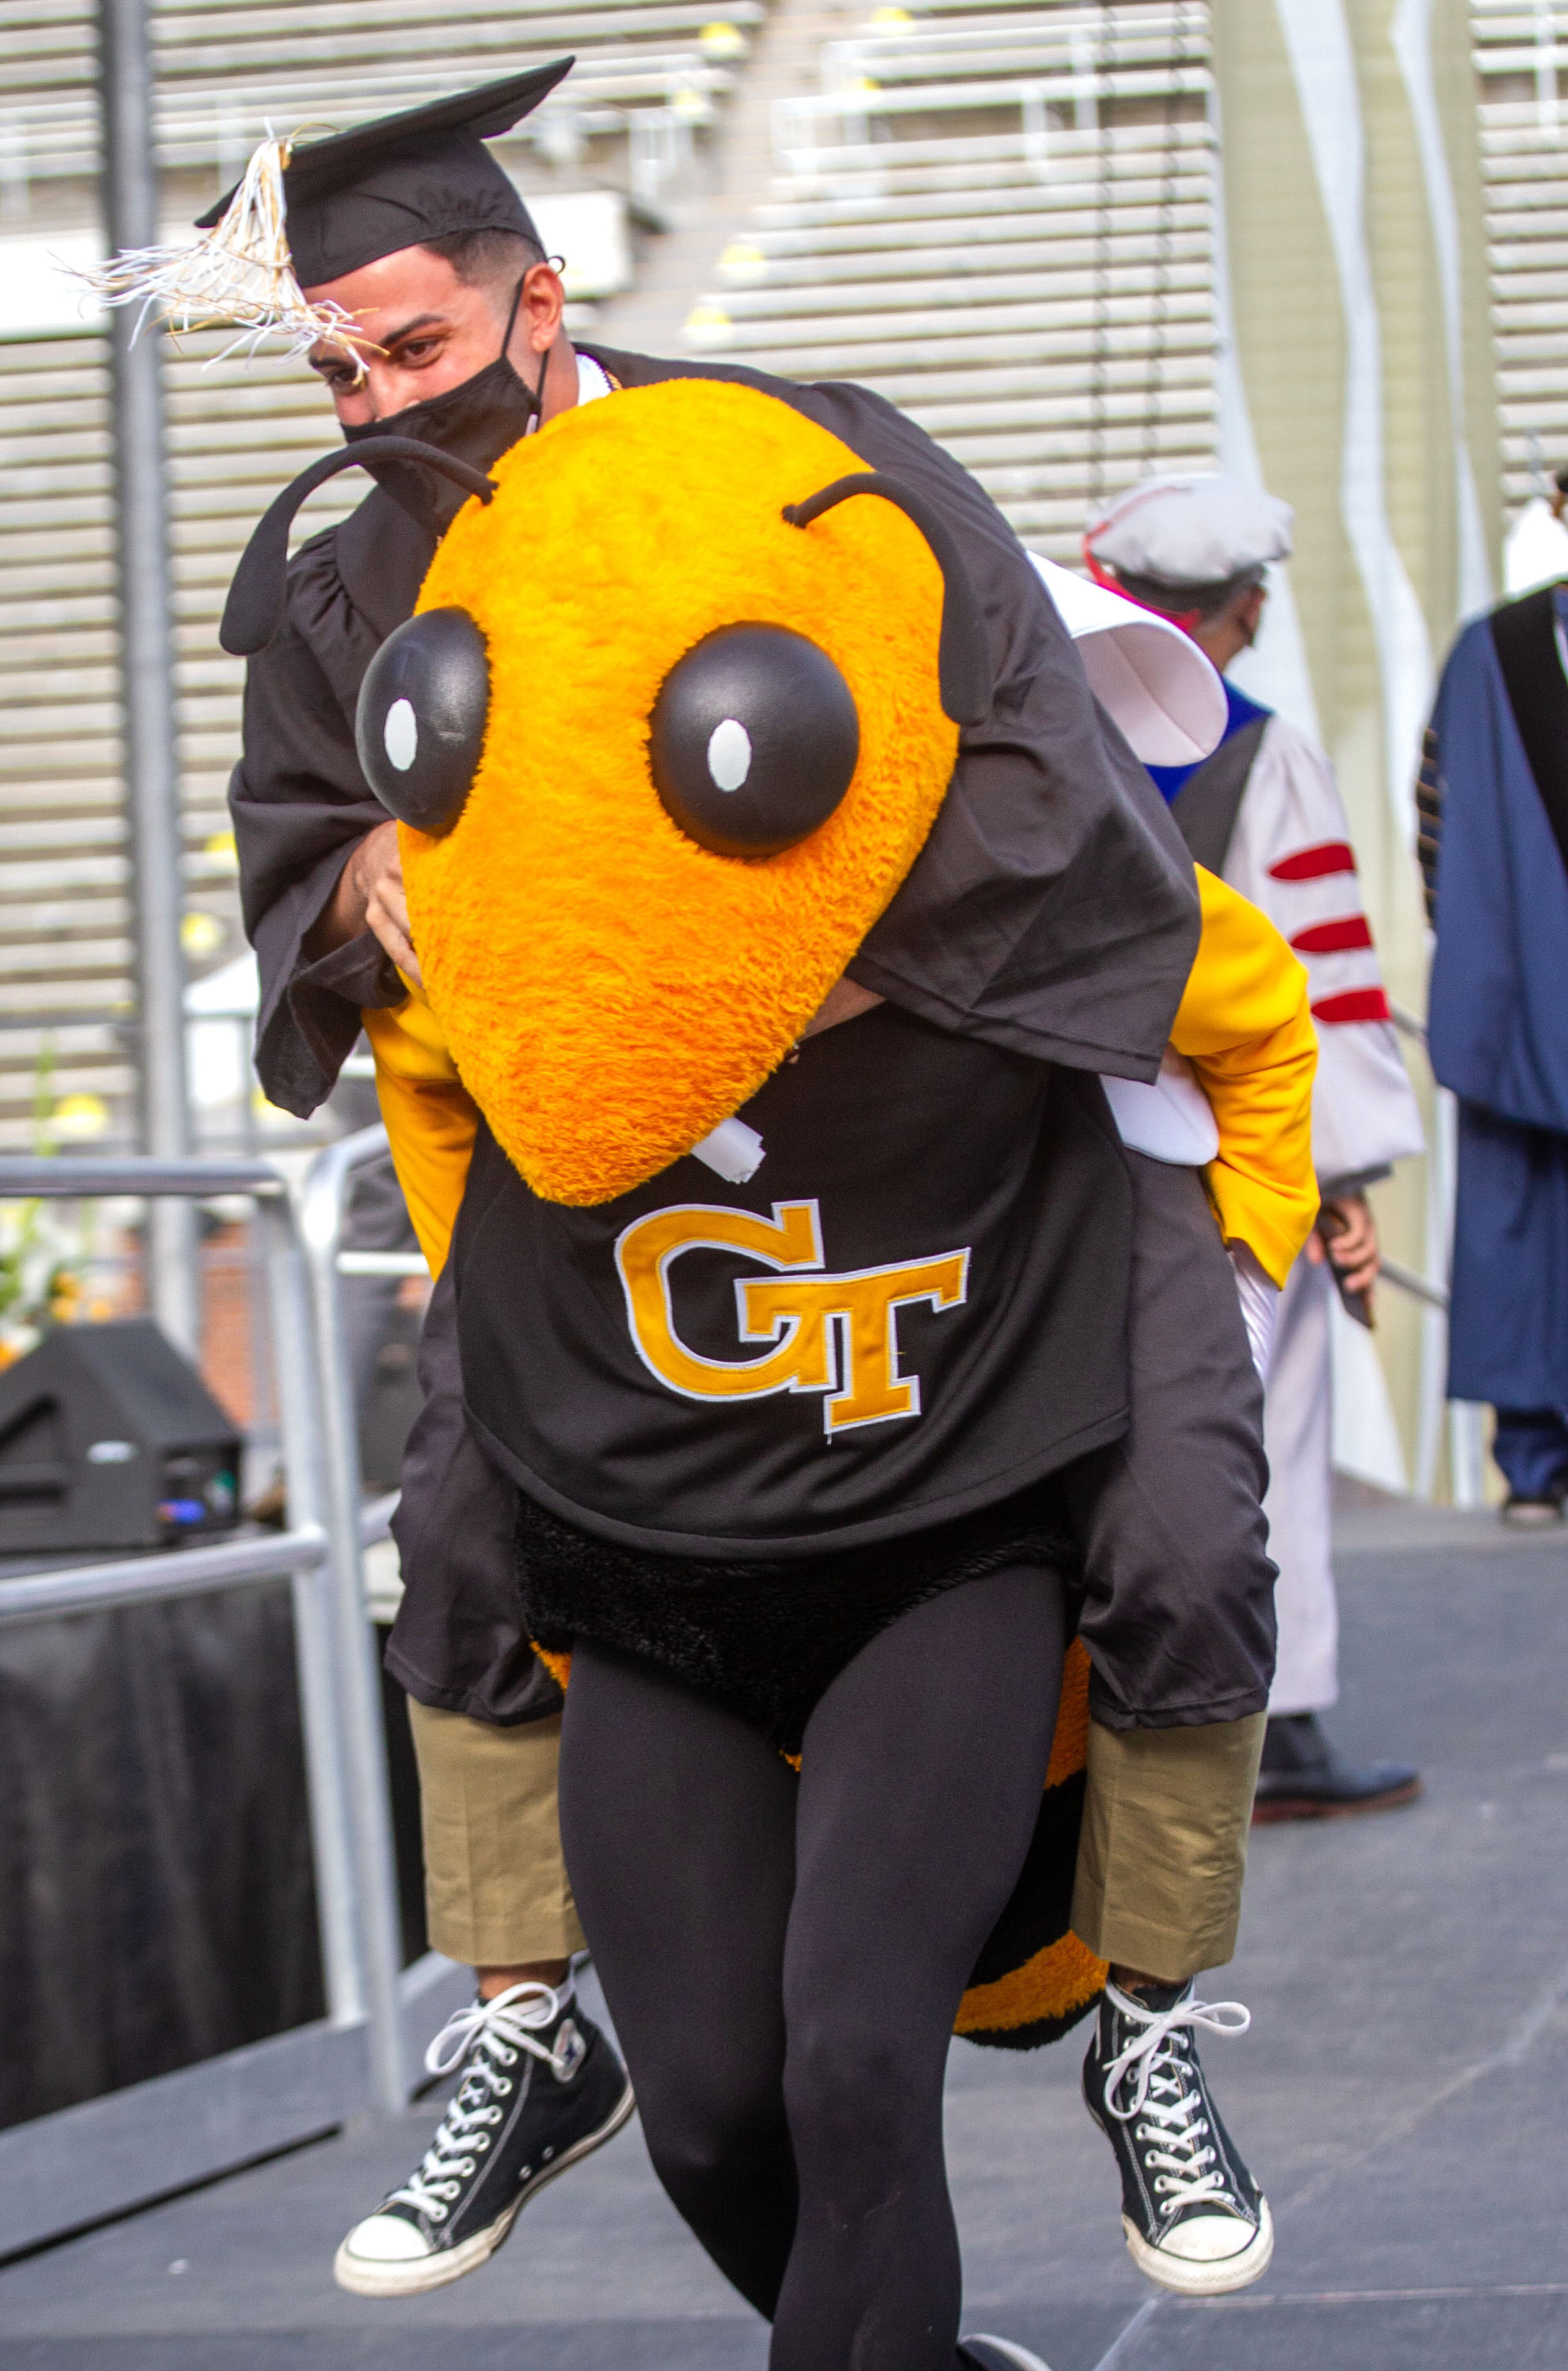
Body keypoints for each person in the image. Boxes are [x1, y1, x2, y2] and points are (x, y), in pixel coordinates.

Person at [100, 74, 1308, 2340]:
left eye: (416, 351)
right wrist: (438, 886)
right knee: (456, 1532)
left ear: (540, 309)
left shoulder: (790, 472)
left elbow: (1024, 790)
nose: (371, 401)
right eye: (335, 368)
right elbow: (313, 876)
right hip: (617, 1263)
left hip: (959, 1213)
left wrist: (733, 920)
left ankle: (1156, 2000)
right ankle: (527, 2000)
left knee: (1180, 1516)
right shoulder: (347, 573)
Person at [1086, 475, 1427, 1819]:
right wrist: (1339, 1179)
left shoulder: (1018, 723)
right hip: (1221, 1143)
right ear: (1245, 606)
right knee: (1261, 1430)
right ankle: (1273, 1728)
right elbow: (1312, 981)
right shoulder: (1257, 748)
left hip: (1048, 1150)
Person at [1420, 577, 1568, 1522]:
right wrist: (1483, 952)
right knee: (1520, 1207)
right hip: (1523, 958)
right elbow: (1441, 820)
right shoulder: (1498, 650)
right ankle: (1534, 1450)